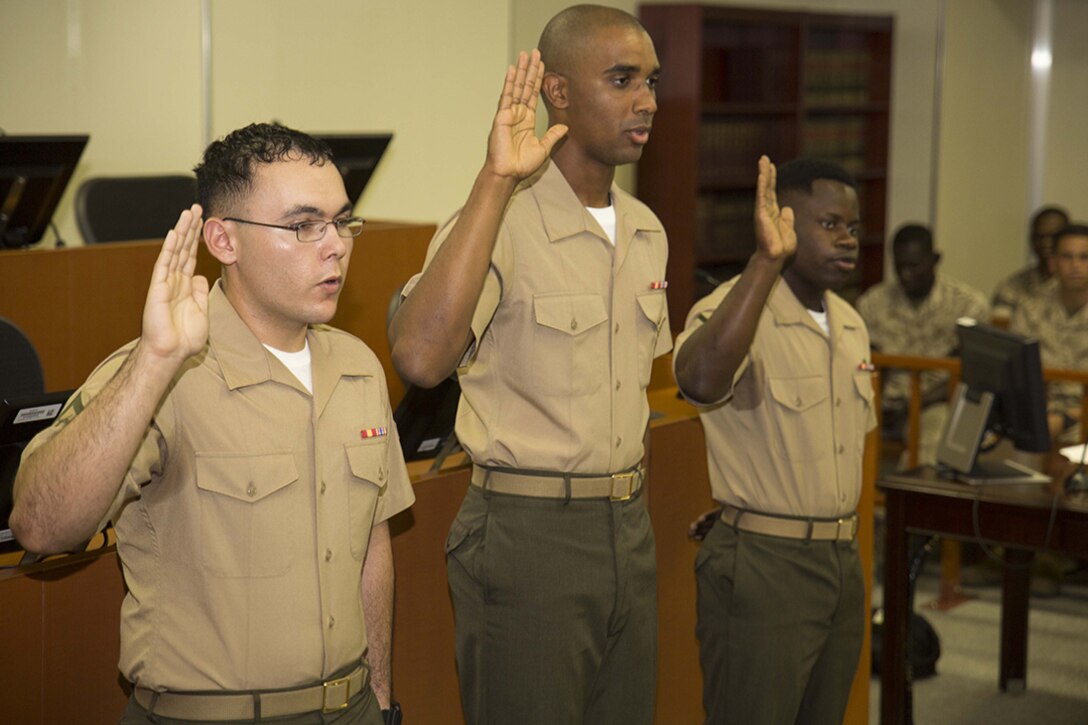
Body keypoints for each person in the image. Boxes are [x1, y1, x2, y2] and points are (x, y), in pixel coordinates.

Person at [10, 123, 414, 724]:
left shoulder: (357, 366)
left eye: (342, 221)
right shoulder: (163, 370)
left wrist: (380, 699)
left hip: (351, 707)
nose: (335, 245)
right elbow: (40, 527)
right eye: (304, 225)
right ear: (223, 240)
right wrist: (153, 364)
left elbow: (372, 544)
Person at [388, 6, 669, 723]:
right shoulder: (499, 219)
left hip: (627, 524)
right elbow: (421, 357)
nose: (647, 101)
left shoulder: (645, 230)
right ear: (560, 93)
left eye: (650, 81)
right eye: (622, 79)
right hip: (530, 531)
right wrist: (494, 179)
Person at [673, 157, 874, 725]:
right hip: (768, 565)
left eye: (854, 228)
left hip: (841, 559)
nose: (847, 239)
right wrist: (767, 263)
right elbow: (699, 381)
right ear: (782, 220)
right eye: (829, 223)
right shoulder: (735, 311)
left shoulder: (852, 324)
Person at [856, 223, 989, 466]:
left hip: (933, 403)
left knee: (933, 440)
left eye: (914, 266)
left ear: (935, 259)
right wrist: (874, 396)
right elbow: (863, 362)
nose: (906, 274)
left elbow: (970, 370)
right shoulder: (872, 303)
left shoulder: (967, 305)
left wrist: (916, 402)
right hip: (880, 401)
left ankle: (909, 499)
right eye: (900, 266)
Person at [1010, 223, 1088, 443]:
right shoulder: (1030, 308)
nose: (1076, 266)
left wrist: (1067, 418)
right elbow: (1017, 375)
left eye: (1084, 257)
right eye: (1067, 257)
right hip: (1037, 416)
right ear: (1053, 262)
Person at [992, 205, 1070, 322]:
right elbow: (997, 335)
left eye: (1053, 236)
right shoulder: (1012, 289)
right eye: (1040, 236)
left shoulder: (1078, 286)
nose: (1046, 242)